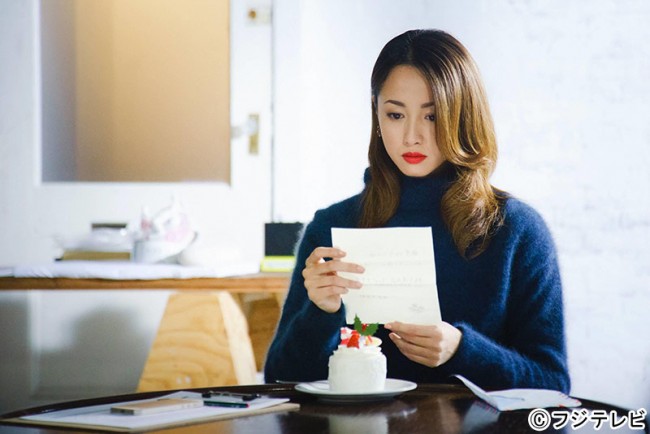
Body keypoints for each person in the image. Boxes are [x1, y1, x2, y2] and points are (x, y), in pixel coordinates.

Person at [264, 29, 570, 392]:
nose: (411, 136)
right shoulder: (332, 226)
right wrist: (321, 313)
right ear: (376, 116)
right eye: (395, 115)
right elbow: (280, 381)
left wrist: (462, 350)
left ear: (463, 116)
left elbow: (552, 384)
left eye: (432, 116)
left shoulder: (516, 230)